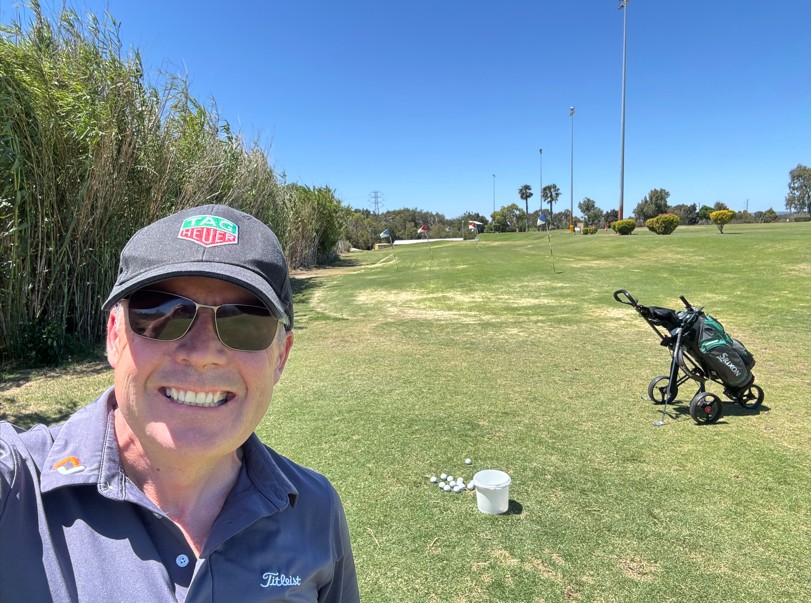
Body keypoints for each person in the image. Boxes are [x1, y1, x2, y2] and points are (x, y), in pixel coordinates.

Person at [0, 204, 359, 602]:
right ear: (114, 336)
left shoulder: (314, 508)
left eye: (245, 322)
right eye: (163, 313)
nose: (202, 352)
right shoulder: (15, 489)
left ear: (281, 357)